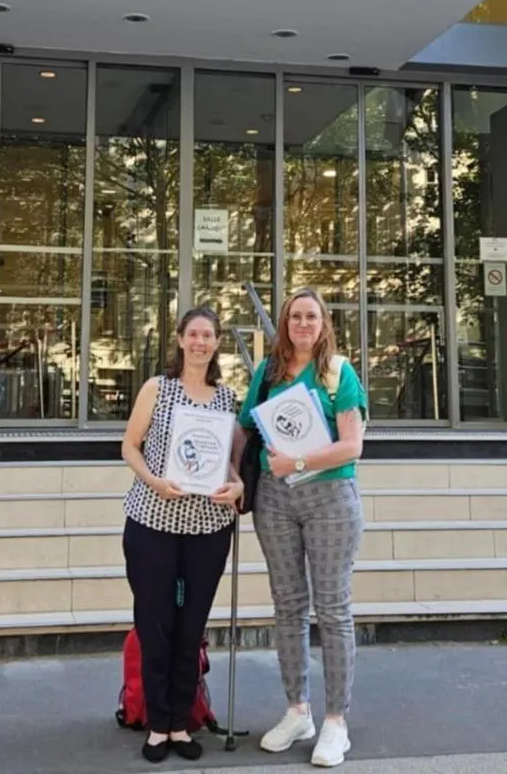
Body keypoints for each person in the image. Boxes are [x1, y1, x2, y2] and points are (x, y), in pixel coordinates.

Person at [237, 288, 367, 768]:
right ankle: (298, 711)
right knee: (288, 606)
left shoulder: (338, 373)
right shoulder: (267, 373)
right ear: (286, 323)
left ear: (324, 322)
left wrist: (297, 461)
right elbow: (245, 430)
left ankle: (336, 721)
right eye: (295, 316)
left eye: (311, 316)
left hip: (330, 498)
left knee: (332, 609)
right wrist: (233, 477)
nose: (303, 324)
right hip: (275, 500)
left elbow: (352, 445)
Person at [122, 306, 243, 763]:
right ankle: (157, 724)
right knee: (156, 625)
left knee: (191, 628)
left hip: (207, 529)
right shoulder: (157, 388)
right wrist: (153, 480)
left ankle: (180, 721)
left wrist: (238, 486)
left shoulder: (226, 398)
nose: (200, 342)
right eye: (193, 334)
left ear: (216, 343)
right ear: (179, 339)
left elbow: (228, 462)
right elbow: (129, 446)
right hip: (152, 522)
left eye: (208, 335)